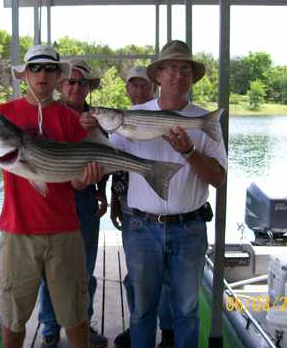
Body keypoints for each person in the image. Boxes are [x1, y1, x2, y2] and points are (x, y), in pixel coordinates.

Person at [0, 44, 104, 348]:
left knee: (75, 314)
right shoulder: (0, 116)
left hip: (65, 232)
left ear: (59, 76)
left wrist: (85, 181)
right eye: (35, 68)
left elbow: (74, 183)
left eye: (49, 68)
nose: (42, 74)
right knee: (13, 317)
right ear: (24, 75)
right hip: (17, 232)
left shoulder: (70, 120)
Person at [82, 40, 227, 348]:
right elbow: (104, 156)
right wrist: (91, 129)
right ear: (158, 76)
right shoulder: (130, 116)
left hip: (189, 229)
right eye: (171, 68)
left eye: (184, 69)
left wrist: (189, 151)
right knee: (142, 310)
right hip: (141, 227)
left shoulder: (205, 120)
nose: (178, 74)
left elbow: (219, 179)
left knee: (187, 310)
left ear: (192, 77)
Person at [37, 58, 108, 348]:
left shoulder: (100, 117)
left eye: (82, 82)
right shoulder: (47, 114)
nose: (76, 86)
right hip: (55, 197)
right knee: (50, 269)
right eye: (70, 81)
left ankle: (83, 323)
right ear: (61, 85)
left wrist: (102, 192)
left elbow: (104, 157)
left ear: (89, 87)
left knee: (85, 268)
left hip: (86, 196)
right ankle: (50, 329)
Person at [112, 66, 174, 348]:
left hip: (160, 207)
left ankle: (168, 330)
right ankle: (137, 328)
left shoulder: (162, 118)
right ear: (127, 89)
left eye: (143, 86)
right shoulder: (119, 121)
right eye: (133, 86)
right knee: (137, 275)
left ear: (153, 88)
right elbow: (114, 165)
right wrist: (114, 201)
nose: (138, 90)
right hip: (130, 208)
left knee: (165, 279)